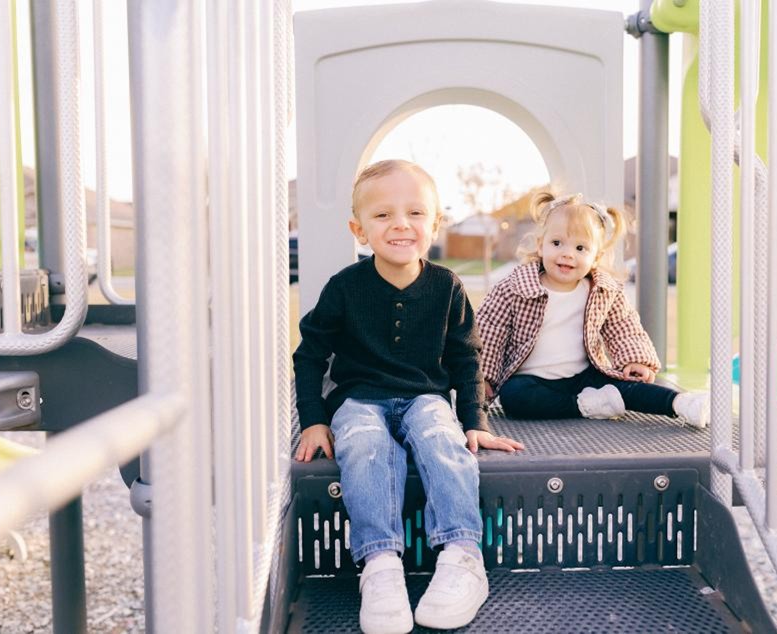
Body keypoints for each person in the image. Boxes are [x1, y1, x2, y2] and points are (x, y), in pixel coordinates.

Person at [293, 159, 524, 634]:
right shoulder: (345, 288)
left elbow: (465, 359)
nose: (401, 224)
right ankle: (380, 565)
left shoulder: (447, 286)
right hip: (360, 398)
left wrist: (475, 421)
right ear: (359, 229)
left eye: (416, 213)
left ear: (435, 224)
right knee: (364, 443)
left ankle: (462, 555)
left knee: (443, 437)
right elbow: (309, 355)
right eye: (383, 215)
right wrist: (314, 420)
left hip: (425, 397)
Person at [477, 192, 709, 428]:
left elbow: (624, 327)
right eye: (557, 243)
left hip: (585, 375)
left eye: (580, 248)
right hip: (532, 379)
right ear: (541, 245)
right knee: (514, 397)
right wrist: (484, 376)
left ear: (596, 257)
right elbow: (489, 329)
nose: (567, 253)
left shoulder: (602, 290)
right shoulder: (516, 286)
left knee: (628, 388)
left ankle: (681, 404)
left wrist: (636, 360)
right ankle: (584, 405)